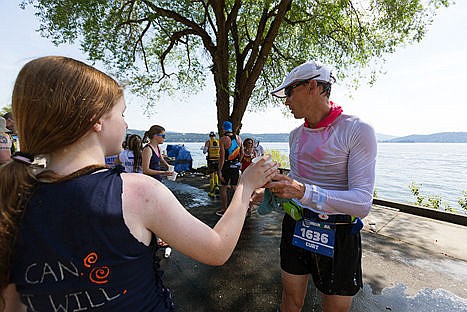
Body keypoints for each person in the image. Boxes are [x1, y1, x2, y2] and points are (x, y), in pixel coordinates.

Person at [0, 56, 278, 311]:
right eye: (121, 114)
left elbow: (13, 302)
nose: (126, 122)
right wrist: (245, 186)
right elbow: (216, 249)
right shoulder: (138, 192)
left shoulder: (12, 192)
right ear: (96, 120)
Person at [267, 60, 377, 312]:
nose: (286, 101)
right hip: (297, 224)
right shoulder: (295, 135)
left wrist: (304, 192)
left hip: (339, 231)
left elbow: (362, 202)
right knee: (290, 301)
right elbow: (296, 186)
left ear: (313, 87)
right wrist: (272, 190)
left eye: (289, 91)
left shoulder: (357, 130)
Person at [217, 121, 244, 217]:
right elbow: (242, 153)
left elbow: (222, 157)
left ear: (224, 128)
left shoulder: (223, 139)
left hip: (226, 166)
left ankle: (225, 210)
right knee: (234, 187)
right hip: (235, 166)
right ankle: (240, 207)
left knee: (223, 188)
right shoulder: (238, 138)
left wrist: (219, 170)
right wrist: (239, 162)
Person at [203, 131, 220, 198]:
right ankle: (217, 187)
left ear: (210, 136)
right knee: (216, 173)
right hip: (217, 160)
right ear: (215, 136)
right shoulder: (218, 141)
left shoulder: (208, 142)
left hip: (211, 160)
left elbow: (204, 151)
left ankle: (212, 191)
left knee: (211, 175)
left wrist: (205, 148)